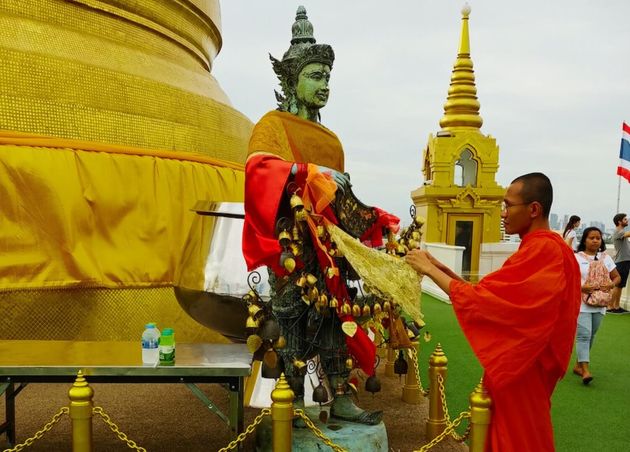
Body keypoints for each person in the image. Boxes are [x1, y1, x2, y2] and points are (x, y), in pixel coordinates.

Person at [242, 7, 398, 425]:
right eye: (315, 75)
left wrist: (373, 222)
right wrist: (306, 171)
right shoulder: (272, 125)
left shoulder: (331, 140)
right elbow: (258, 170)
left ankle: (339, 396)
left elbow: (340, 200)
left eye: (327, 77)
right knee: (293, 322)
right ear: (292, 80)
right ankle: (289, 401)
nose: (323, 84)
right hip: (292, 242)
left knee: (334, 322)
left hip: (330, 245)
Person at [406, 172, 581, 452]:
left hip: (525, 370)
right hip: (524, 367)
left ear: (533, 209)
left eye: (508, 206)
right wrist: (437, 268)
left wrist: (428, 270)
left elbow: (486, 301)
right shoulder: (543, 248)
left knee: (521, 440)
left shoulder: (545, 251)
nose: (502, 214)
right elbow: (493, 294)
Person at [573, 227, 620, 384]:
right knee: (584, 335)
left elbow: (617, 277)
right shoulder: (576, 258)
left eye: (598, 238)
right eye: (591, 237)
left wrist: (610, 285)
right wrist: (581, 288)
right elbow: (567, 278)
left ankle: (579, 365)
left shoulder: (606, 258)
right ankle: (585, 370)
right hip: (581, 303)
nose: (595, 240)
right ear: (584, 240)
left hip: (600, 302)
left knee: (591, 334)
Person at [610, 213, 630, 313]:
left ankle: (616, 306)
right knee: (618, 286)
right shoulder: (618, 232)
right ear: (619, 222)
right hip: (621, 262)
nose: (627, 221)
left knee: (620, 286)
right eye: (625, 219)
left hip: (624, 261)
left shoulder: (621, 232)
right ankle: (610, 307)